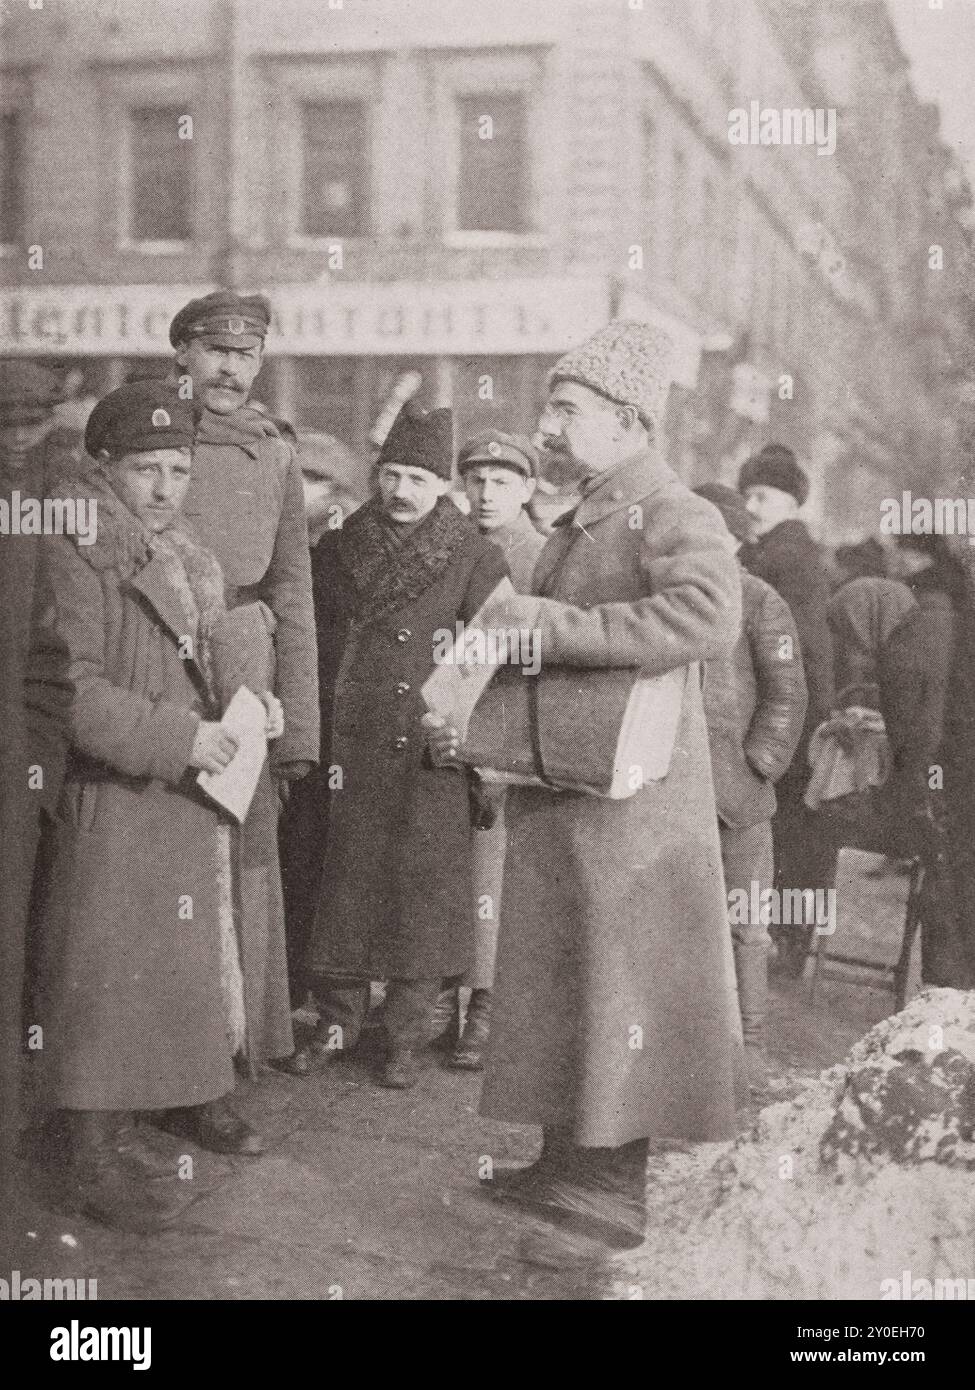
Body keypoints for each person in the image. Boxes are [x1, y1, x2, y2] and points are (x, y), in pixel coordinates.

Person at [429, 320, 744, 1253]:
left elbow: (704, 617)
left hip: (631, 803)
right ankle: (568, 1163)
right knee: (569, 980)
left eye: (565, 409)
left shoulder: (676, 511)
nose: (549, 428)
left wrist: (550, 629)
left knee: (620, 988)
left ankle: (609, 1185)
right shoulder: (595, 510)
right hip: (577, 785)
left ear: (627, 419)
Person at [26, 380, 284, 1234]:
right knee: (103, 981)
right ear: (104, 466)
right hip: (118, 794)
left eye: (179, 469)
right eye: (147, 469)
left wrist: (255, 707)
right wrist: (183, 738)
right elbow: (72, 690)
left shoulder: (187, 551)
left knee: (182, 965)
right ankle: (90, 1149)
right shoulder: (77, 544)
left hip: (178, 790)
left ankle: (185, 1094)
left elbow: (210, 660)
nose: (168, 487)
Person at [279, 403, 508, 1089]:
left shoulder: (475, 555)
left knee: (420, 897)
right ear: (375, 475)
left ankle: (406, 1037)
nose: (401, 491)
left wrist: (468, 735)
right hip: (347, 745)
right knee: (339, 886)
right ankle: (335, 1022)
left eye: (418, 478)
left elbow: (496, 650)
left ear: (444, 488)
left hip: (428, 750)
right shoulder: (339, 544)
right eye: (391, 474)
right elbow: (308, 637)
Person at [169, 291, 319, 1070]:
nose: (229, 369)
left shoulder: (276, 451)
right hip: (161, 659)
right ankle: (165, 1056)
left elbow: (292, 588)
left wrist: (298, 733)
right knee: (165, 852)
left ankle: (240, 1052)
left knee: (247, 851)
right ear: (183, 355)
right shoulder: (150, 435)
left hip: (244, 669)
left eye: (246, 355)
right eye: (215, 350)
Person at [432, 430, 548, 1071]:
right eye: (475, 480)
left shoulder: (540, 558)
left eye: (502, 482)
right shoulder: (452, 546)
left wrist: (505, 749)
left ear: (528, 489)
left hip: (507, 733)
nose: (485, 494)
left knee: (493, 878)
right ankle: (438, 993)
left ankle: (487, 1007)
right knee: (448, 867)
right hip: (448, 721)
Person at [694, 483, 808, 1091]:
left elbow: (787, 691)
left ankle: (749, 1050)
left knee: (746, 924)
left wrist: (758, 761)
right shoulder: (668, 597)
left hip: (738, 798)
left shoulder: (762, 601)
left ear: (739, 541)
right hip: (666, 789)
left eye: (719, 536)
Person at [0, 362, 72, 1241]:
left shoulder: (28, 526)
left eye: (28, 427)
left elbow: (50, 667)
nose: (15, 444)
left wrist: (34, 772)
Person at [738, 444, 836, 977]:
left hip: (787, 712)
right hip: (801, 710)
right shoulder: (789, 553)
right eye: (747, 494)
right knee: (794, 831)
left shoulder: (781, 558)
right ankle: (785, 944)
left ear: (792, 503)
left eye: (763, 495)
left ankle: (780, 946)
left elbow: (795, 650)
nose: (752, 505)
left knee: (788, 830)